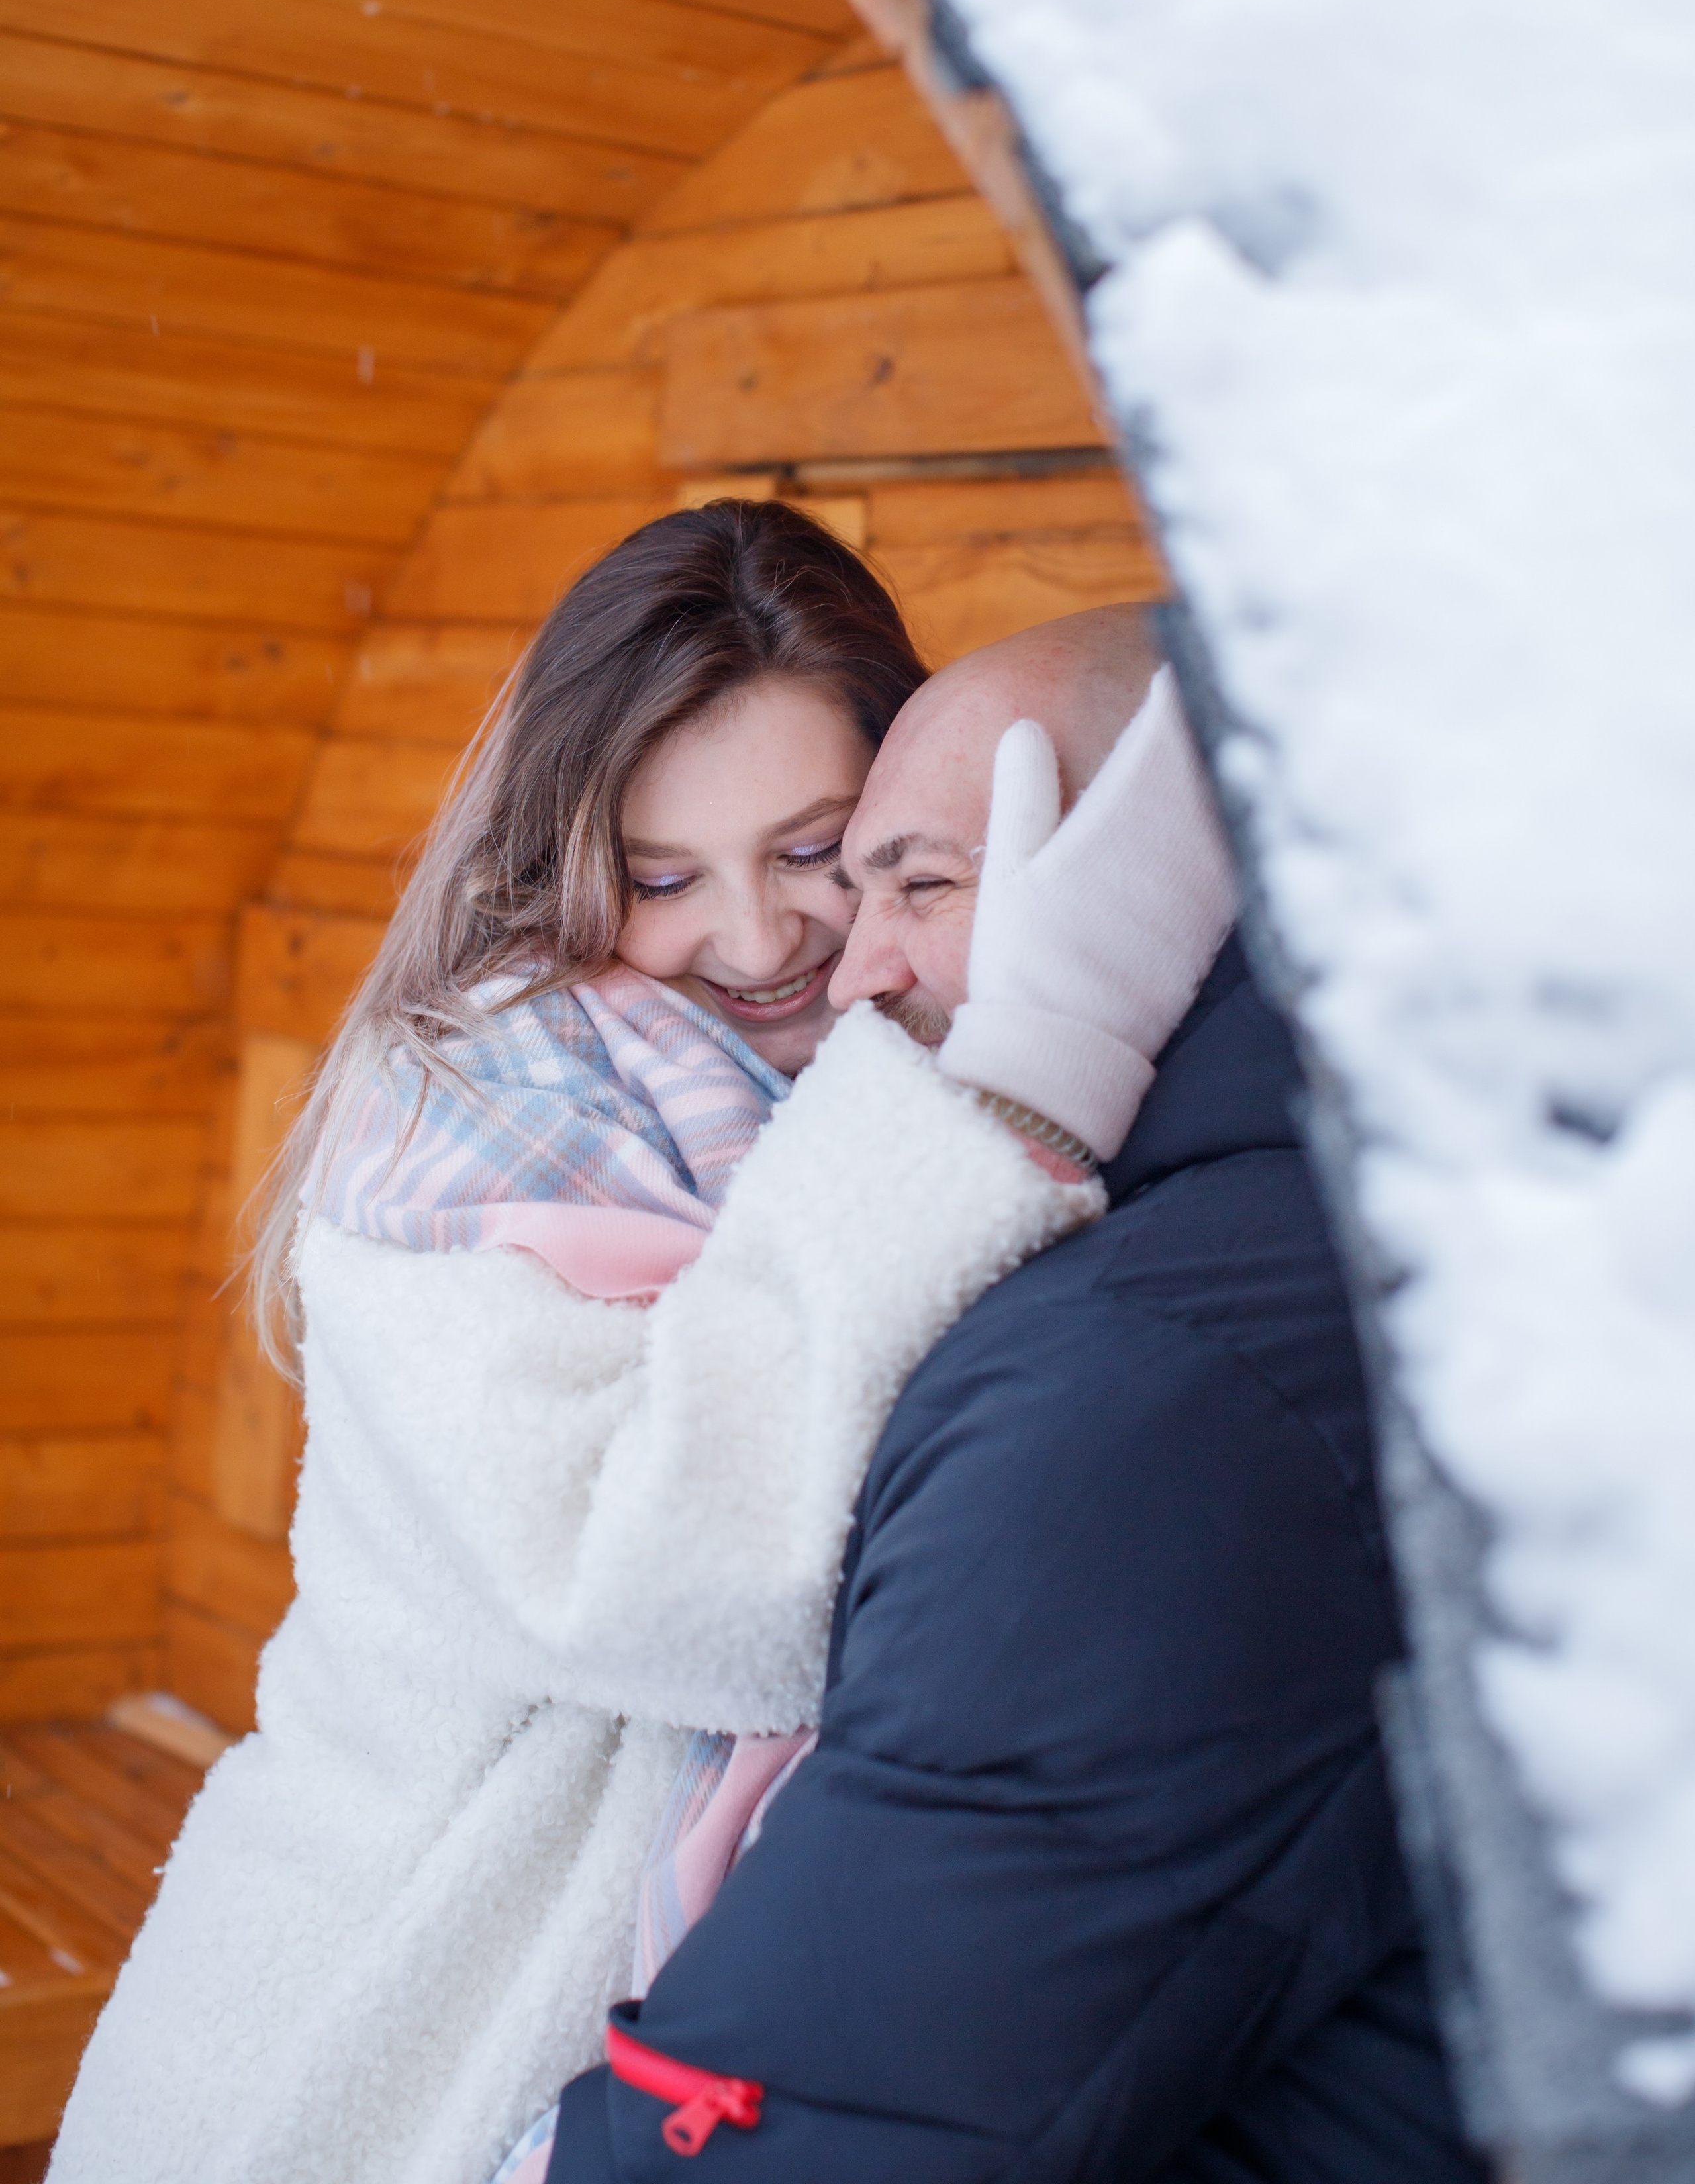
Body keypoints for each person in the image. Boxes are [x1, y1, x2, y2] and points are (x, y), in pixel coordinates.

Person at [50, 506, 1142, 2184]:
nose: (759, 942)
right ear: (568, 861)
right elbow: (669, 1583)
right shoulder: (482, 1107)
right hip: (384, 1994)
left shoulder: (866, 1053)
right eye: (660, 878)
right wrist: (973, 1116)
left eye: (810, 848)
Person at [543, 618, 1489, 2181]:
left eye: (917, 883)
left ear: (1156, 879)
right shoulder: (1323, 1220)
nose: (843, 971)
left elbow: (811, 2114)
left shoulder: (1146, 1383)